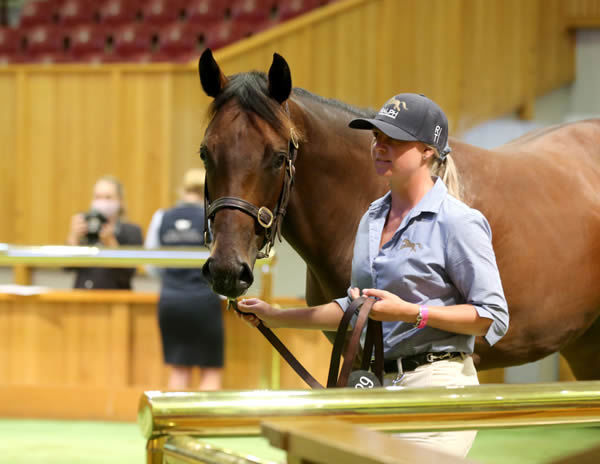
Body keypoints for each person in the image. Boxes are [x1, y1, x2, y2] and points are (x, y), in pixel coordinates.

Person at [236, 93, 509, 457]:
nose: (379, 146)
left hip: (438, 385)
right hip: (377, 386)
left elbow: (492, 316)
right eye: (377, 137)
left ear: (428, 150)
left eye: (393, 139)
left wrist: (412, 313)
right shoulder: (371, 218)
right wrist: (276, 317)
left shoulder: (458, 222)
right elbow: (359, 307)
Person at [145, 169, 224, 390]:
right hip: (204, 300)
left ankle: (175, 423)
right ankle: (206, 424)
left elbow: (151, 263)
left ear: (183, 190)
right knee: (210, 370)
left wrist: (172, 280)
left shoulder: (162, 217)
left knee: (179, 369)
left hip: (170, 299)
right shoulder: (212, 217)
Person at [66, 175, 143, 289]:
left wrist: (110, 242)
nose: (102, 202)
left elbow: (128, 273)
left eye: (108, 197)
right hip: (82, 296)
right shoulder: (85, 227)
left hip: (116, 298)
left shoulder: (132, 231)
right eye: (98, 197)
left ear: (120, 201)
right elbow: (67, 267)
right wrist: (73, 237)